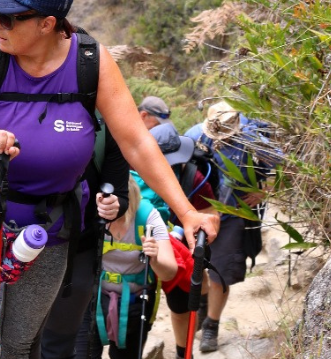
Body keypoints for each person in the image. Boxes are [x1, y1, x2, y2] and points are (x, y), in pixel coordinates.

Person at [0, 0, 219, 358]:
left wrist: (186, 212)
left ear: (47, 23)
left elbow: (136, 142)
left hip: (48, 227)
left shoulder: (90, 63)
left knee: (19, 344)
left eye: (8, 17)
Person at [185, 101, 280, 353]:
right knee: (197, 268)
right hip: (198, 213)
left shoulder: (252, 137)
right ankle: (204, 304)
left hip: (233, 215)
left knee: (221, 272)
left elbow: (278, 163)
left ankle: (211, 325)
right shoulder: (195, 135)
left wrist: (263, 192)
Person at [136, 96, 221, 359]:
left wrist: (188, 235)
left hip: (184, 244)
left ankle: (184, 352)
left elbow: (210, 215)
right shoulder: (135, 174)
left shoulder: (193, 175)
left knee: (181, 305)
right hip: (146, 244)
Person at [37, 122, 130, 359]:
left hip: (79, 248)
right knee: (19, 339)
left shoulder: (107, 122)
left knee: (58, 344)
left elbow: (120, 194)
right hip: (19, 245)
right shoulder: (23, 103)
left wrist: (113, 206)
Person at [85, 176, 177, 359]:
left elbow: (169, 272)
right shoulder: (92, 213)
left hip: (134, 305)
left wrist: (155, 259)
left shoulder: (147, 216)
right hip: (92, 301)